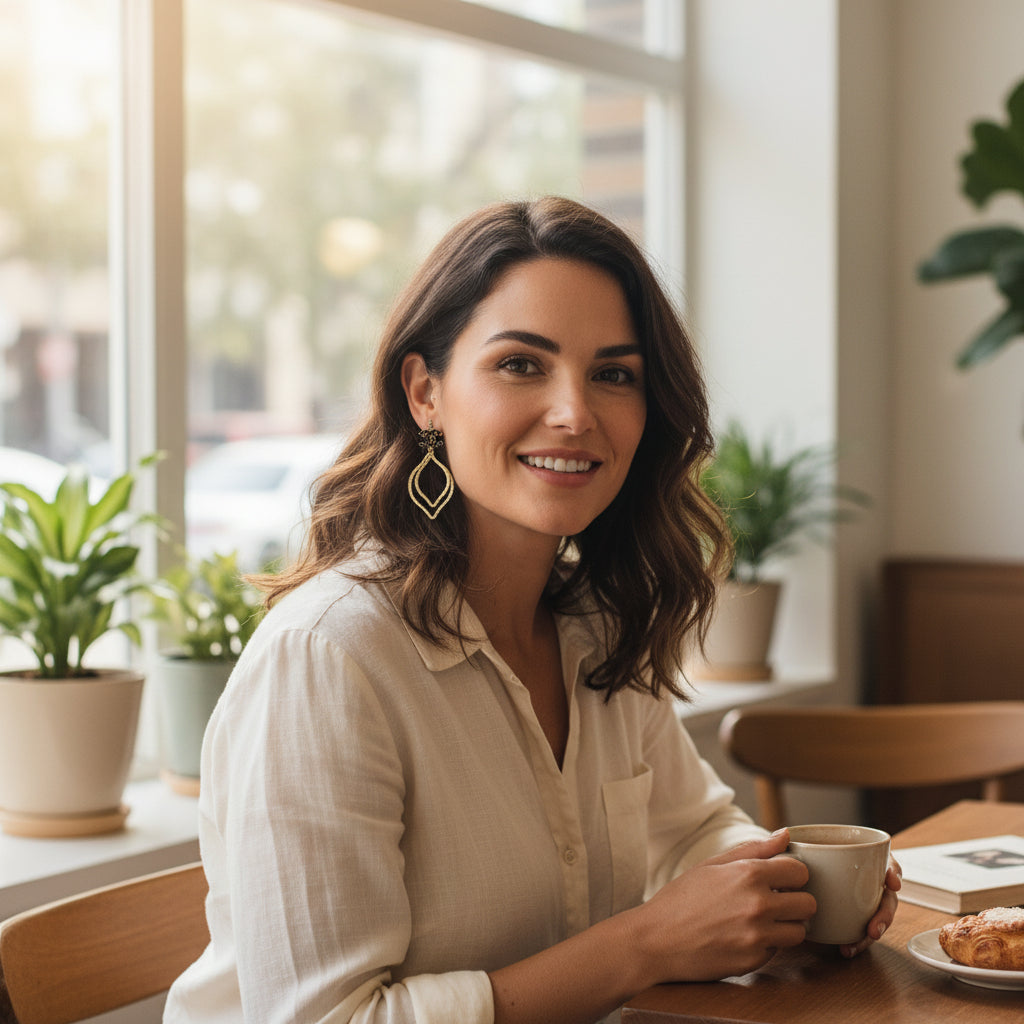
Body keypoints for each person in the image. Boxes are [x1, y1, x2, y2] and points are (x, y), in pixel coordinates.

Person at [164, 196, 899, 1024]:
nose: (576, 413)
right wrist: (648, 943)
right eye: (521, 364)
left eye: (614, 374)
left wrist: (790, 888)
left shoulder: (599, 625)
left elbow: (693, 832)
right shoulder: (329, 658)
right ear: (425, 392)